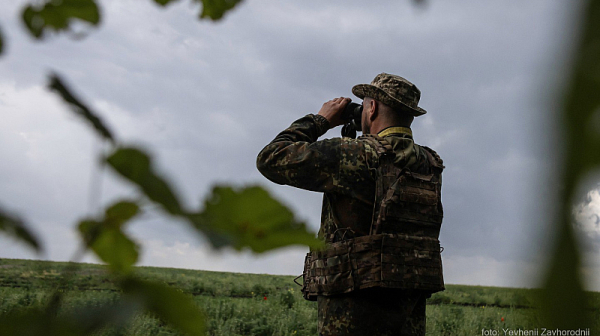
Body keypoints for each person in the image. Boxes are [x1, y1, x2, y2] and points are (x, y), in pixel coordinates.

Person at [256, 73, 445, 336]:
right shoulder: (429, 163)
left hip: (352, 304)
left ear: (372, 107)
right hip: (408, 305)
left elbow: (270, 158)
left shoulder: (354, 154)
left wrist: (320, 120)